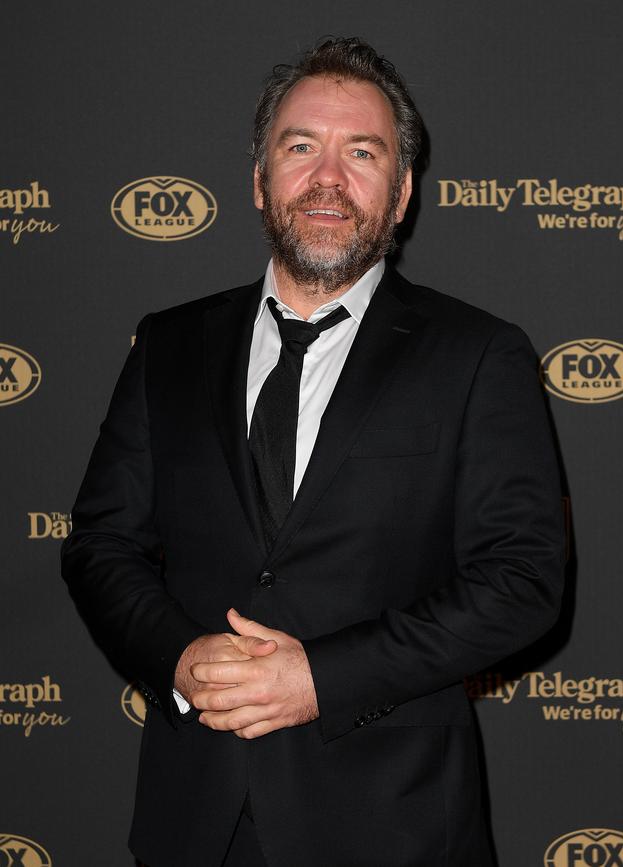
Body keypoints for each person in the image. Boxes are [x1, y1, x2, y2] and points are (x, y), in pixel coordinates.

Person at [61, 36, 564, 867]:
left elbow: (524, 580)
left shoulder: (478, 355)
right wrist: (179, 657)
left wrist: (322, 679)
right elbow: (100, 545)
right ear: (261, 181)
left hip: (393, 827)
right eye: (301, 147)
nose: (327, 176)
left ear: (400, 195)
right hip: (195, 825)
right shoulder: (169, 346)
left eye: (360, 152)